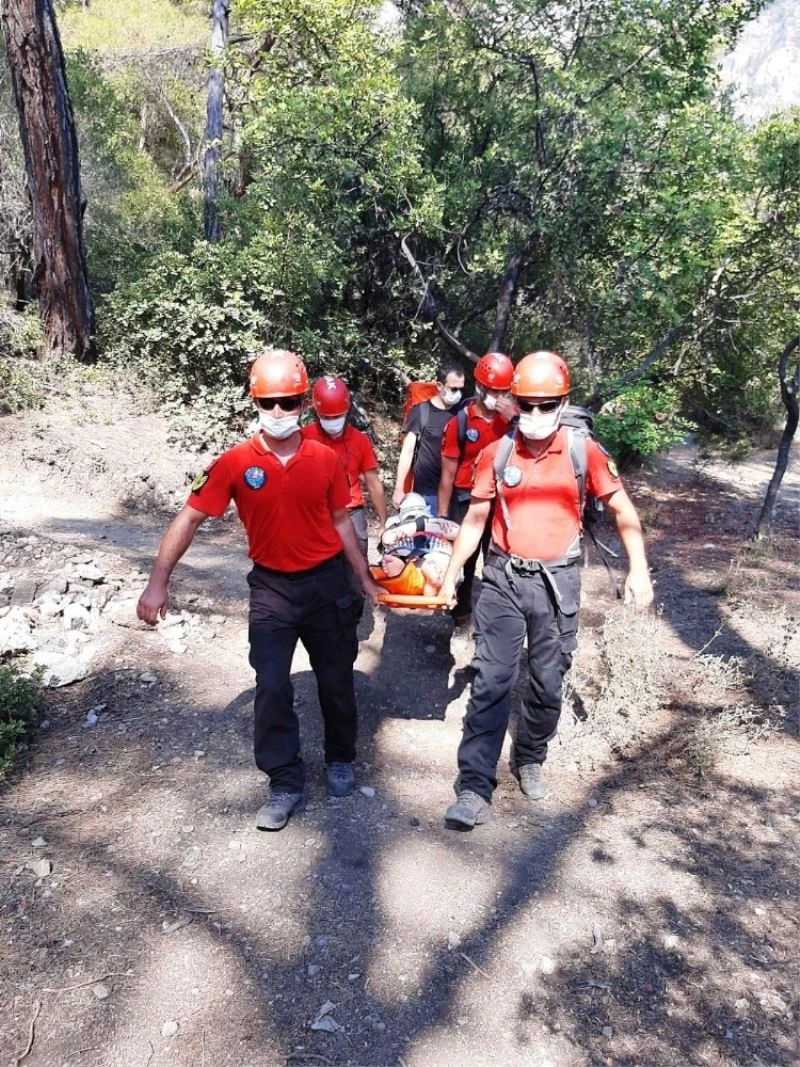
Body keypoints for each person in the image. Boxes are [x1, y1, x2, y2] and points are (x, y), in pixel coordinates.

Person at [136, 349, 382, 833]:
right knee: (271, 685)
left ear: (303, 404)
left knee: (336, 679)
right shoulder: (234, 463)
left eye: (287, 402)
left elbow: (342, 523)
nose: (277, 412)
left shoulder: (326, 460)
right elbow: (189, 519)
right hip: (271, 589)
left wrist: (365, 579)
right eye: (268, 402)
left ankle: (340, 757)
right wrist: (157, 582)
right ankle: (284, 781)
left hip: (326, 584)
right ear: (254, 403)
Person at [438, 350, 654, 830]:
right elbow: (475, 518)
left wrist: (639, 570)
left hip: (558, 582)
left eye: (547, 405)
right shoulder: (497, 453)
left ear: (563, 403)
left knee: (547, 680)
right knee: (491, 682)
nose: (535, 414)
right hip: (502, 578)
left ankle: (530, 756)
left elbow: (623, 510)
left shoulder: (583, 452)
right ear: (514, 402)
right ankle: (473, 786)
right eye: (527, 404)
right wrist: (453, 573)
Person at [437, 351, 515, 629]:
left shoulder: (516, 421)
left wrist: (515, 419)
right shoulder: (460, 422)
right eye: (494, 391)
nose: (499, 396)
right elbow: (447, 474)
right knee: (465, 562)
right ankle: (461, 620)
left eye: (504, 391)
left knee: (498, 564)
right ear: (480, 387)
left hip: (502, 502)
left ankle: (493, 624)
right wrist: (442, 516)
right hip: (466, 500)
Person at [303, 375, 388, 559]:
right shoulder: (303, 438)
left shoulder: (360, 440)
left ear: (347, 411)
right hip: (317, 515)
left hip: (351, 513)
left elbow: (373, 484)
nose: (332, 422)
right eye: (326, 417)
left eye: (337, 417)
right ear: (316, 412)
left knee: (357, 569)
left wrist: (383, 523)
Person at [393, 363, 465, 514]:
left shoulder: (462, 414)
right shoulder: (421, 411)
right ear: (439, 386)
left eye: (461, 389)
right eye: (453, 389)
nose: (458, 394)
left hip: (456, 495)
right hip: (427, 494)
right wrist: (399, 489)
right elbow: (407, 451)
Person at [370, 492, 460, 597]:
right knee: (395, 557)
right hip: (407, 559)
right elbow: (386, 539)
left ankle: (424, 580)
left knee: (438, 566)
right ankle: (403, 573)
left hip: (434, 554)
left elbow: (459, 532)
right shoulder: (396, 526)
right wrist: (398, 532)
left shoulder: (437, 523)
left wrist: (419, 526)